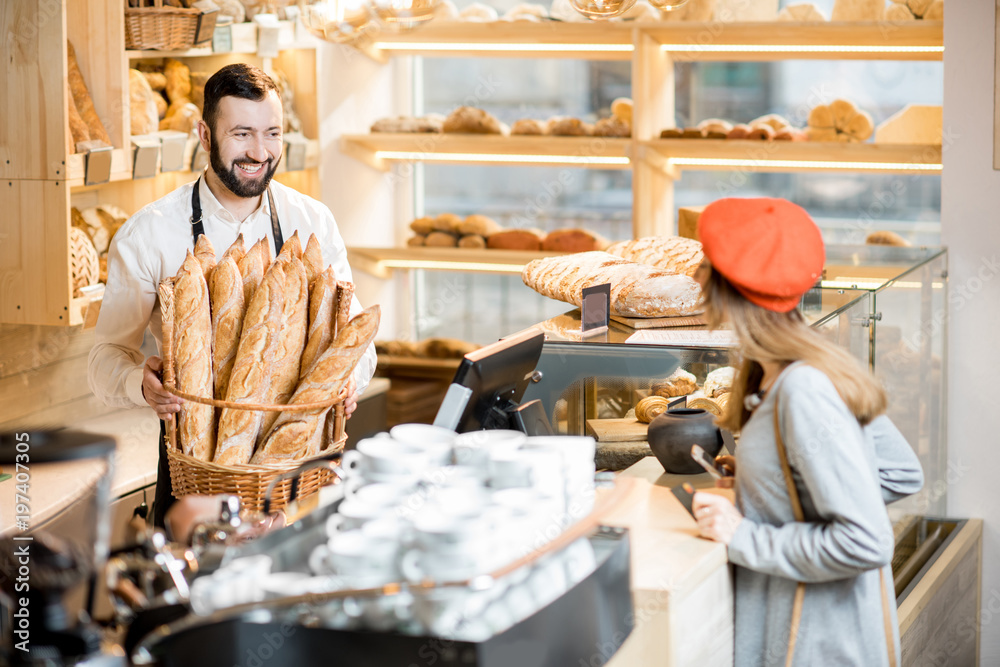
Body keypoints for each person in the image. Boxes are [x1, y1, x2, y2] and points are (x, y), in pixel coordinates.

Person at [88, 63, 377, 528]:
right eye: (242, 133)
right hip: (196, 471)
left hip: (297, 469)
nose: (259, 152)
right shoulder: (150, 233)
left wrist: (349, 381)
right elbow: (103, 359)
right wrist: (141, 383)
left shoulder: (313, 222)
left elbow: (358, 341)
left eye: (272, 134)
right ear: (204, 134)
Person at [688, 198, 923, 666]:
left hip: (812, 645)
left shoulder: (803, 391)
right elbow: (899, 472)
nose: (696, 276)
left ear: (725, 287)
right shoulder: (806, 362)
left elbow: (866, 541)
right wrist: (772, 482)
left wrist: (742, 535)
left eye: (705, 265)